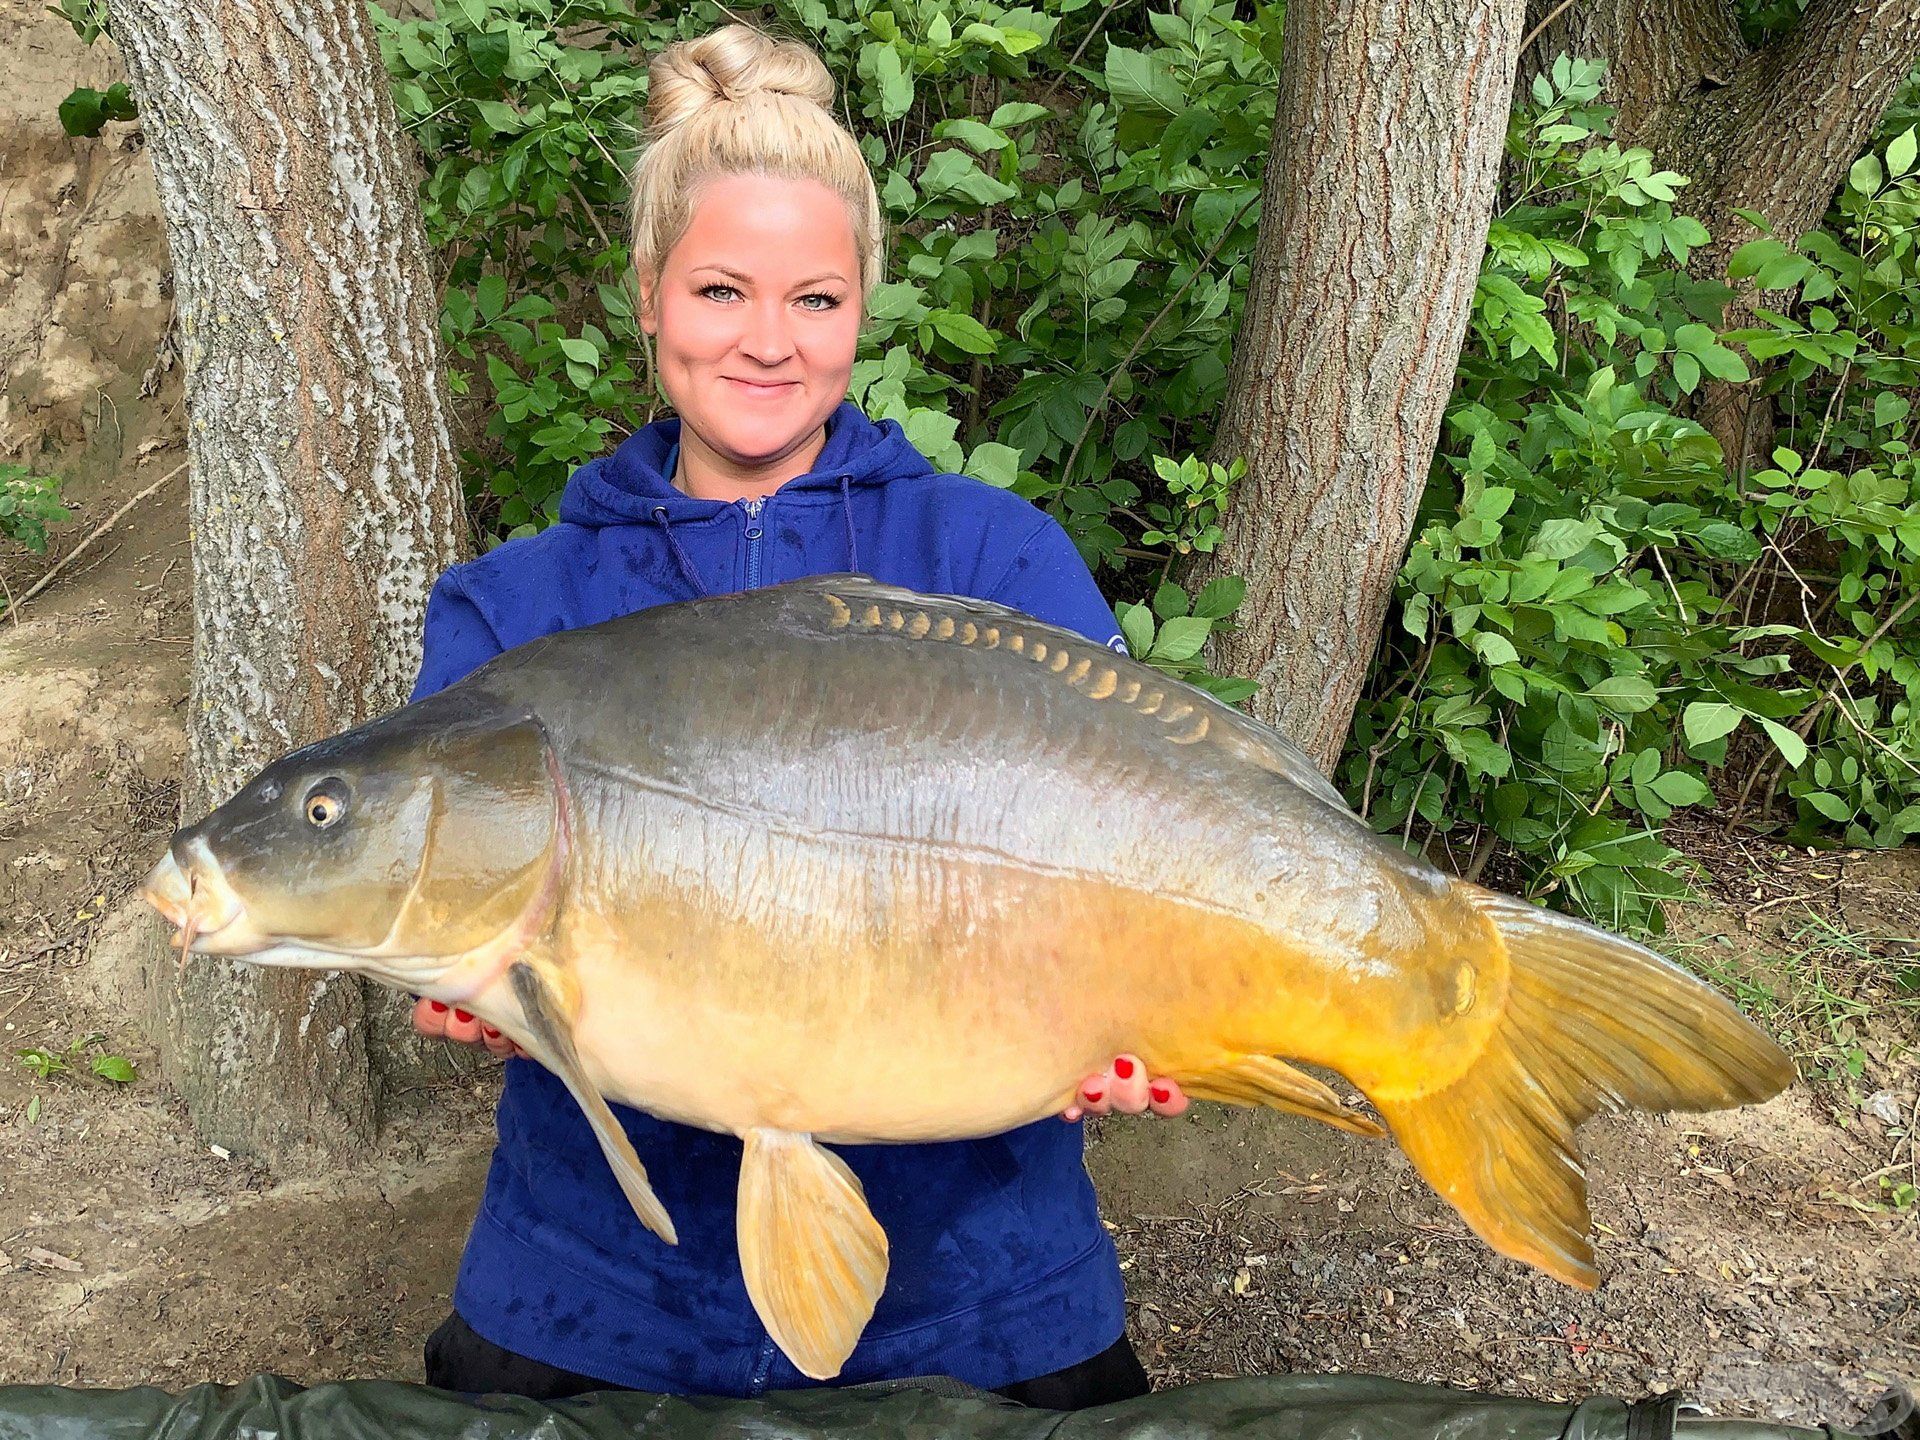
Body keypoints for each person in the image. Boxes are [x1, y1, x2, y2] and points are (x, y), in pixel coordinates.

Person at [408, 23, 1187, 1409]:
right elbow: (450, 897)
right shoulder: (510, 610)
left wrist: (1147, 1017)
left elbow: (1137, 847)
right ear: (646, 293)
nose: (769, 342)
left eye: (816, 300)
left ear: (864, 308)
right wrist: (459, 977)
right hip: (591, 1293)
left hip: (988, 1291)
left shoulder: (996, 562)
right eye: (720, 289)